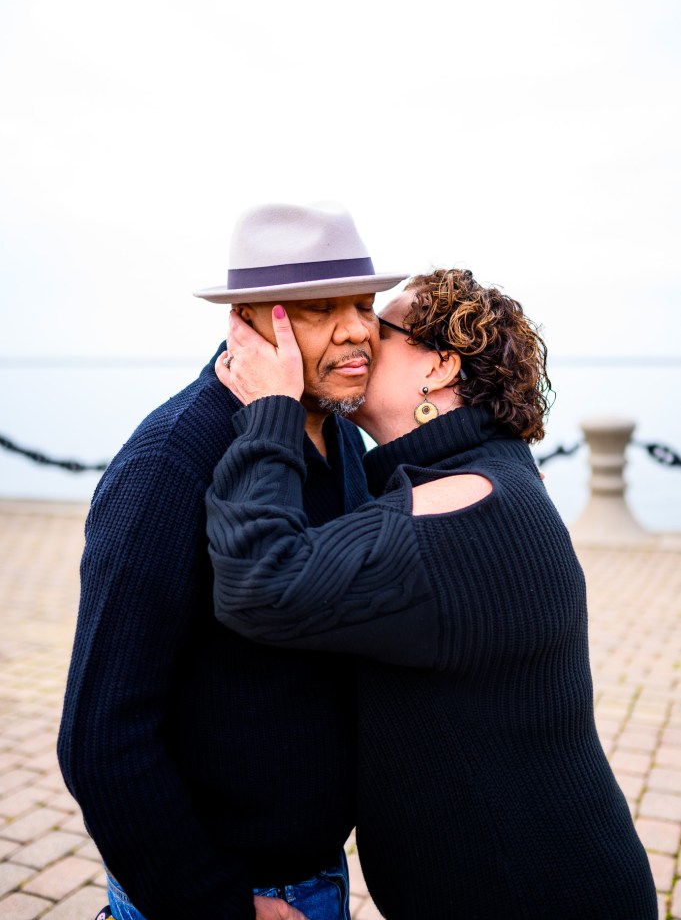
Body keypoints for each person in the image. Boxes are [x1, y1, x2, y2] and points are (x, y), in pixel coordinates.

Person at [205, 267, 658, 920]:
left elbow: (258, 583)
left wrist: (268, 413)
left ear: (440, 365)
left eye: (376, 326)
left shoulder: (460, 508)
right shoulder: (487, 471)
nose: (354, 335)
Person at [56, 202, 407, 920]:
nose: (357, 329)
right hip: (223, 894)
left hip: (318, 876)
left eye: (363, 304)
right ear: (249, 318)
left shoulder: (337, 437)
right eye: (319, 309)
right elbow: (99, 737)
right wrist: (216, 907)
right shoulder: (168, 463)